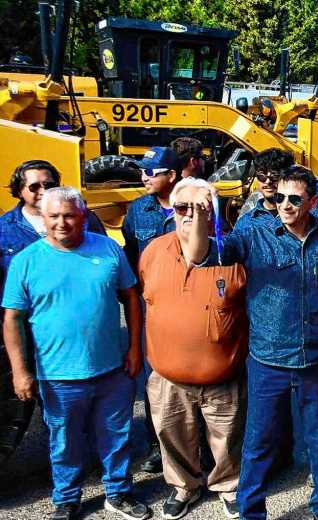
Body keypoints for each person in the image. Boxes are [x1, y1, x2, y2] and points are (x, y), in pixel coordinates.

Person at [187, 165, 318, 520]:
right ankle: (251, 511)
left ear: (313, 201)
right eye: (279, 198)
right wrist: (199, 216)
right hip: (268, 359)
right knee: (258, 442)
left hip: (315, 359)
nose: (285, 205)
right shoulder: (254, 234)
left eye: (294, 198)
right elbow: (201, 256)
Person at [3, 186, 150, 520]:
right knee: (65, 442)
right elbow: (12, 318)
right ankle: (67, 498)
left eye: (69, 215)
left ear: (83, 216)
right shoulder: (26, 262)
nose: (62, 223)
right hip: (57, 375)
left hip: (112, 369)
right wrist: (19, 371)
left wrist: (134, 349)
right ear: (43, 217)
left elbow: (130, 297)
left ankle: (119, 492)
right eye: (54, 216)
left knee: (116, 436)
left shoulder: (108, 249)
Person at [139, 178, 247, 519]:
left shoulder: (231, 254)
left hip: (223, 377)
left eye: (201, 208)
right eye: (183, 207)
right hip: (168, 377)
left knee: (227, 438)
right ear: (172, 211)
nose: (190, 214)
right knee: (172, 436)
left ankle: (227, 485)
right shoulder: (154, 251)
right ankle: (184, 485)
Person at [122, 146, 182, 474]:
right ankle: (158, 446)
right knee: (153, 382)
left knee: (191, 380)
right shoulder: (137, 211)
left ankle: (195, 447)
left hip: (187, 311)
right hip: (151, 311)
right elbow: (132, 259)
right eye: (142, 171)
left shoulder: (192, 206)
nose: (144, 177)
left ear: (171, 176)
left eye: (151, 172)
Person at [0, 159, 106, 289]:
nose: (43, 191)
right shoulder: (4, 228)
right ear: (19, 191)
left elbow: (104, 256)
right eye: (34, 187)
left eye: (49, 185)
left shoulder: (85, 218)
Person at [234, 148, 293, 231]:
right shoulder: (247, 223)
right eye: (262, 176)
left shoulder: (301, 216)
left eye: (275, 176)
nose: (268, 181)